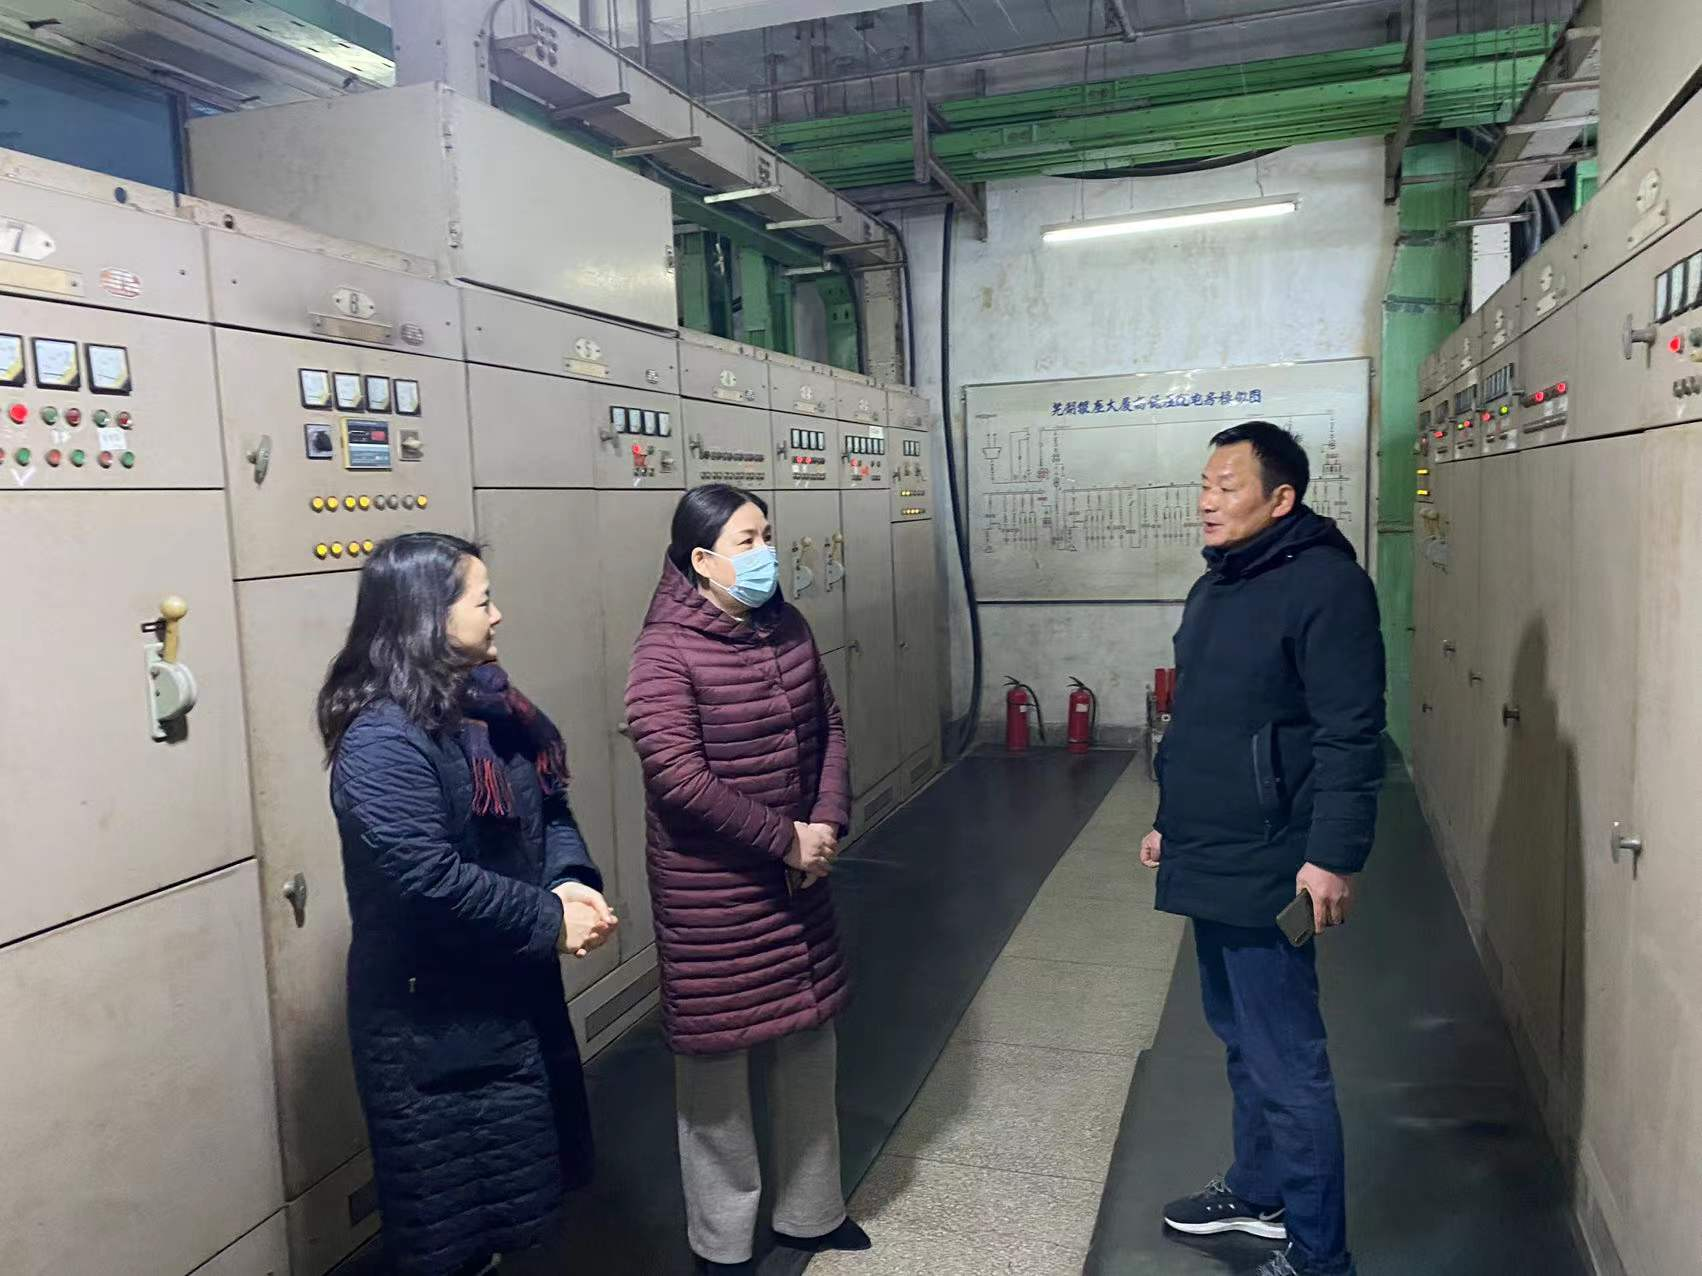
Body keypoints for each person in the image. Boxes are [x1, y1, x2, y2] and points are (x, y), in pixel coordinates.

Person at [318, 532, 618, 1276]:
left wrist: (568, 882)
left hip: (512, 998)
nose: (498, 614)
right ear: (428, 615)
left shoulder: (491, 710)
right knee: (451, 1228)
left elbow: (547, 808)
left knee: (522, 1207)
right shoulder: (382, 739)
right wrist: (549, 921)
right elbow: (425, 878)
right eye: (483, 601)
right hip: (433, 1028)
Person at [1140, 422, 1384, 1276]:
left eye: (1228, 485)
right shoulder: (1218, 582)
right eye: (1204, 484)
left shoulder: (1327, 587)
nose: (1207, 501)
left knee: (1288, 1063)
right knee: (1239, 1035)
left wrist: (1334, 856)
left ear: (1281, 498)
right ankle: (1260, 1191)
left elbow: (1351, 734)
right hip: (1211, 847)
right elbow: (1201, 722)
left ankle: (1320, 1258)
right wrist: (1171, 818)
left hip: (1274, 858)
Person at [624, 484, 871, 1275]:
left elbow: (829, 727)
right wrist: (784, 840)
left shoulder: (787, 626)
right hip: (714, 895)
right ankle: (722, 1244)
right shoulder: (664, 652)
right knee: (716, 1069)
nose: (766, 552)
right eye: (747, 540)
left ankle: (812, 1213)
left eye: (767, 534)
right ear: (701, 561)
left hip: (799, 879)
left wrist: (826, 821)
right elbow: (678, 778)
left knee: (809, 1041)